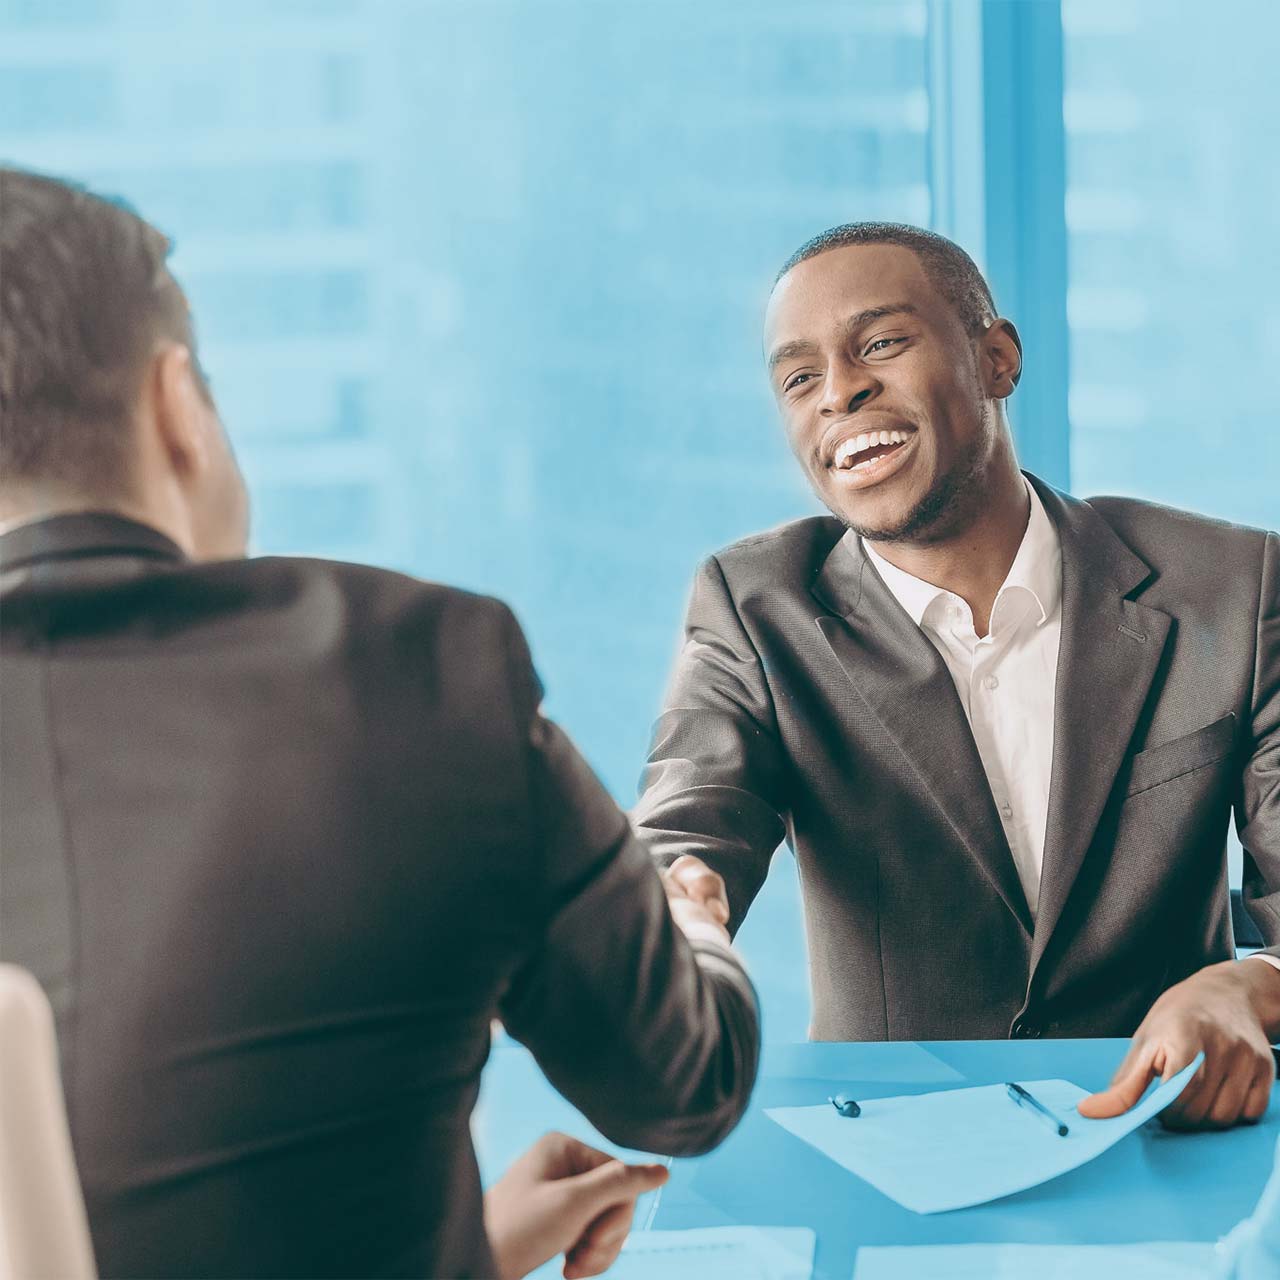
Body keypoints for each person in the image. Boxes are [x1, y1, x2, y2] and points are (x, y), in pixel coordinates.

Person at [0, 167, 757, 1279]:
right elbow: (683, 1084)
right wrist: (693, 928)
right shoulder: (414, 673)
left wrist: (463, 1246)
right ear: (179, 410)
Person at [637, 221, 1279, 1131]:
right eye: (799, 378)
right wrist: (671, 912)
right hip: (893, 1155)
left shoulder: (1231, 589)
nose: (841, 392)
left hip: (1172, 1127)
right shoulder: (755, 606)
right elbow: (686, 821)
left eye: (881, 344)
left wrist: (1244, 987)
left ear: (997, 359)